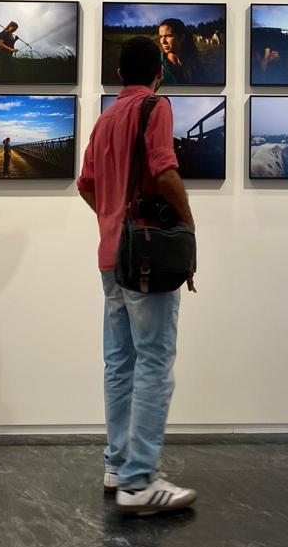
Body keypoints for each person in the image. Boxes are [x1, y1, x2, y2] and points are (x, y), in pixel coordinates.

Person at [77, 35, 198, 516]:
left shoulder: (106, 117)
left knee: (119, 361)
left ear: (119, 74)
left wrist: (111, 217)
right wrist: (187, 218)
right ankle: (140, 479)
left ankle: (116, 464)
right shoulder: (155, 106)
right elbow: (164, 169)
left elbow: (86, 183)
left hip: (111, 255)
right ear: (158, 72)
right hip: (146, 257)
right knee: (154, 362)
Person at [157, 18, 206, 84]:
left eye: (168, 36)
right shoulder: (156, 65)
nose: (163, 41)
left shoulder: (194, 63)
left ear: (181, 37)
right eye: (160, 37)